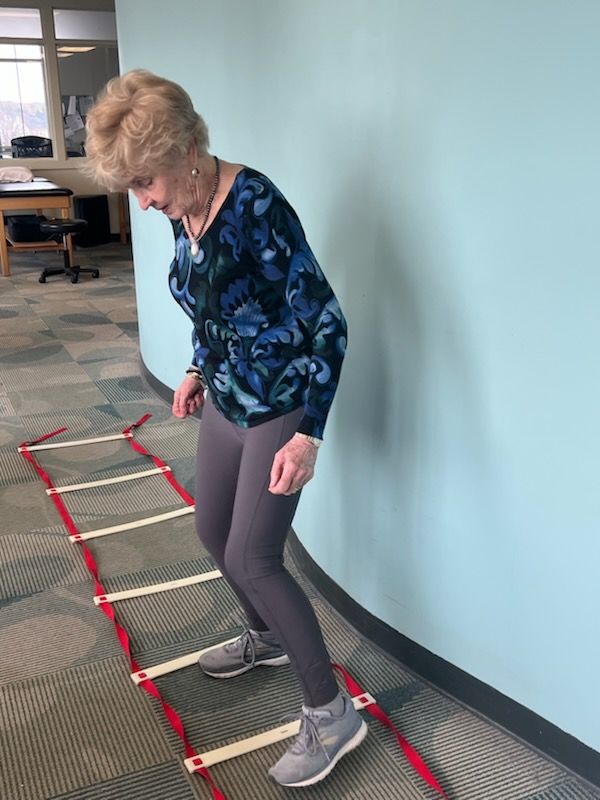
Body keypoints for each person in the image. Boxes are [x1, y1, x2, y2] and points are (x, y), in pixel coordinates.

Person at [84, 69, 365, 788]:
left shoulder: (256, 205)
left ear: (185, 151)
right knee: (213, 531)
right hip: (228, 399)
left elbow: (328, 324)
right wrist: (195, 369)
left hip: (281, 405)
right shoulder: (185, 204)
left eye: (146, 183)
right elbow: (214, 307)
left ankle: (332, 712)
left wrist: (309, 435)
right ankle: (267, 637)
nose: (143, 202)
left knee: (254, 556)